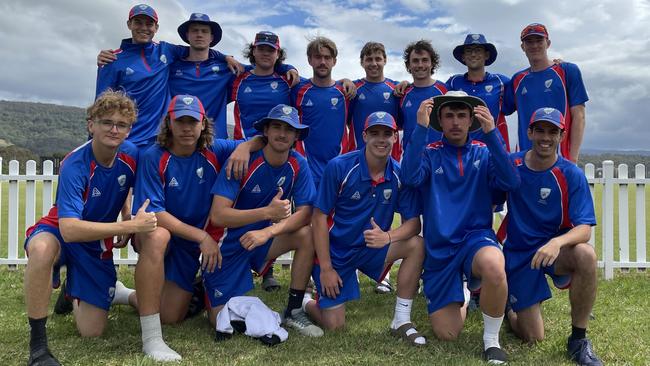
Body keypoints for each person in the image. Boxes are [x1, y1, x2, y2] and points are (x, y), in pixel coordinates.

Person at [23, 90, 154, 366]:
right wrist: (129, 224)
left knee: (92, 332)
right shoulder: (74, 164)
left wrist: (127, 209)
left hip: (94, 243)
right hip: (61, 230)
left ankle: (95, 291)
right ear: (91, 124)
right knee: (42, 249)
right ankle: (38, 347)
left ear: (129, 131)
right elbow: (69, 229)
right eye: (106, 122)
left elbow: (125, 185)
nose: (113, 129)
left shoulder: (131, 155)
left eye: (121, 124)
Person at [132, 95, 262, 361]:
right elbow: (155, 212)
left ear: (203, 124)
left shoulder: (215, 150)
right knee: (158, 235)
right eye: (180, 121)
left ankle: (124, 295)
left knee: (171, 316)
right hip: (163, 235)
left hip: (188, 246)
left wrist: (245, 147)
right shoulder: (153, 156)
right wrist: (202, 236)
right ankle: (151, 338)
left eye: (193, 121)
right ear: (169, 123)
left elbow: (264, 139)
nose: (187, 128)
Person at [401, 91, 520, 363]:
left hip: (475, 239)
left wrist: (492, 133)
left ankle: (491, 340)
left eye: (462, 115)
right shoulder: (431, 155)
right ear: (440, 121)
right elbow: (409, 177)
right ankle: (465, 291)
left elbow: (511, 182)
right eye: (449, 116)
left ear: (471, 120)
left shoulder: (484, 153)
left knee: (493, 264)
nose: (455, 122)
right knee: (448, 333)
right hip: (440, 249)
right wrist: (420, 128)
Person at [304, 111, 425, 345]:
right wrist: (327, 267)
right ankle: (305, 301)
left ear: (395, 138)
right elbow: (318, 218)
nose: (381, 139)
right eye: (374, 133)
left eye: (387, 134)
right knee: (334, 326)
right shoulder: (339, 167)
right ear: (364, 136)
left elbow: (414, 223)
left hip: (371, 249)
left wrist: (388, 237)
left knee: (416, 245)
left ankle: (401, 319)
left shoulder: (400, 174)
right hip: (337, 253)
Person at [204, 104, 323, 338]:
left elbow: (306, 212)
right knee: (220, 318)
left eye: (289, 129)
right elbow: (218, 215)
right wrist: (267, 213)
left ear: (296, 135)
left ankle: (294, 309)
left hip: (261, 241)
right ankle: (203, 287)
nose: (282, 134)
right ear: (265, 131)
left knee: (306, 234)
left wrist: (269, 232)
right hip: (226, 247)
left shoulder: (298, 163)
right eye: (277, 127)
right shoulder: (242, 159)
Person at [497, 107, 601, 366]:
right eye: (540, 130)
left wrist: (557, 242)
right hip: (520, 254)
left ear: (561, 136)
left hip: (554, 252)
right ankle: (509, 310)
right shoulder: (513, 164)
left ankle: (578, 339)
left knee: (586, 254)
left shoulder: (570, 173)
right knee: (533, 337)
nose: (545, 137)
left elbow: (585, 228)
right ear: (529, 132)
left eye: (552, 131)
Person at [95, 5, 238, 149]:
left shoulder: (165, 50)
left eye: (149, 24)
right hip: (126, 139)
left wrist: (225, 57)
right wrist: (93, 144)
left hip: (160, 141)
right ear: (129, 24)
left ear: (156, 27)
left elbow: (198, 48)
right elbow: (100, 107)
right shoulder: (111, 60)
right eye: (138, 22)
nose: (144, 27)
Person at [504, 23, 588, 162]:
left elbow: (579, 117)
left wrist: (572, 159)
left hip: (560, 158)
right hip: (526, 160)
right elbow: (500, 109)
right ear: (522, 47)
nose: (534, 45)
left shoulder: (567, 71)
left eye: (539, 40)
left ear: (548, 43)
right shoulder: (518, 80)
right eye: (529, 41)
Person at [292, 36, 353, 187]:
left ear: (334, 61)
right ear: (309, 60)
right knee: (305, 211)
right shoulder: (298, 89)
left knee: (334, 211)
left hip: (338, 167)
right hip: (306, 168)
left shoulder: (345, 91)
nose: (323, 62)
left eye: (327, 57)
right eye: (318, 57)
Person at [446, 34, 510, 149]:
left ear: (486, 55)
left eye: (478, 50)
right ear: (463, 57)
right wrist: (407, 84)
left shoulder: (501, 82)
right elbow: (431, 89)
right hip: (461, 153)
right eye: (469, 51)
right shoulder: (453, 82)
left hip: (492, 151)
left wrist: (553, 64)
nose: (473, 54)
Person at [398, 40, 448, 152]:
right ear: (408, 65)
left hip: (441, 159)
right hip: (411, 159)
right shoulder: (402, 94)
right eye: (415, 61)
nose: (420, 65)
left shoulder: (445, 91)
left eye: (425, 60)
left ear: (432, 63)